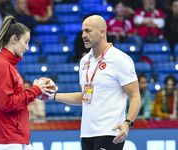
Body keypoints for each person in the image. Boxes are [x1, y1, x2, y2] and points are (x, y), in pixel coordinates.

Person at [53, 15, 141, 150]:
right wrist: (53, 96)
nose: (83, 35)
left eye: (88, 31)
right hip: (87, 134)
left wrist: (128, 122)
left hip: (110, 133)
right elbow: (84, 97)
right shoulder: (84, 61)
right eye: (83, 31)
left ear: (102, 32)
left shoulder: (120, 59)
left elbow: (135, 96)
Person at [0, 15, 55, 150]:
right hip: (6, 138)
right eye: (26, 42)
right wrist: (35, 90)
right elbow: (6, 103)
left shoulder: (6, 64)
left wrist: (34, 90)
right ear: (14, 39)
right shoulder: (2, 65)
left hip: (15, 136)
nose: (27, 48)